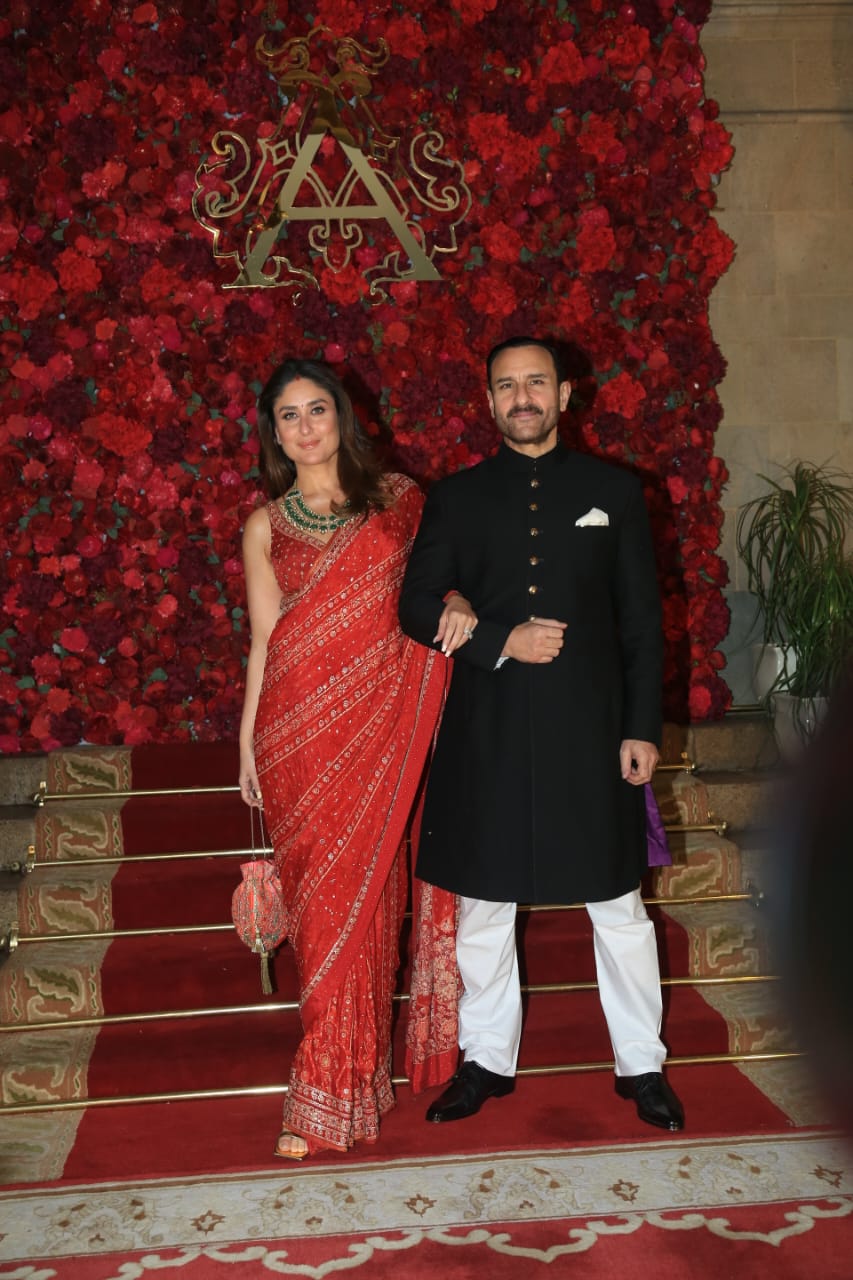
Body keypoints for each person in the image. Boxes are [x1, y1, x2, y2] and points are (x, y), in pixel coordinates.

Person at [398, 336, 685, 1132]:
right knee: (484, 907)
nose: (520, 398)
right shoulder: (454, 498)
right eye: (505, 386)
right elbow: (415, 605)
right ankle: (485, 1060)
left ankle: (641, 1066)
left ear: (565, 396)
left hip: (590, 731)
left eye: (535, 384)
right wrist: (496, 636)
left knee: (617, 904)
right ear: (488, 402)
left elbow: (641, 625)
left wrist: (640, 728)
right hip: (485, 731)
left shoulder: (615, 492)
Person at [238, 358, 468, 1160]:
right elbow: (266, 643)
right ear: (273, 434)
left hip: (378, 724)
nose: (304, 428)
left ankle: (331, 1089)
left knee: (369, 906)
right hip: (296, 730)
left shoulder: (400, 502)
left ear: (342, 418)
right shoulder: (265, 525)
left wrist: (458, 602)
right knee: (323, 913)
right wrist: (246, 744)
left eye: (315, 411)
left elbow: (437, 585)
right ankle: (328, 1082)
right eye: (287, 417)